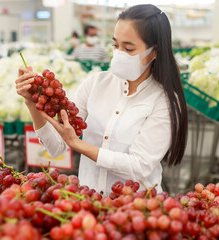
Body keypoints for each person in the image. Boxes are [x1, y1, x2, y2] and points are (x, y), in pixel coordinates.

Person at [15, 4, 188, 195]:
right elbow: (56, 147)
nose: (119, 53)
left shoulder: (163, 100)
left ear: (154, 52)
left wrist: (79, 144)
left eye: (128, 48)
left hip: (136, 210)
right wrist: (32, 104)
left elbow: (139, 166)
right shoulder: (96, 83)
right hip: (90, 204)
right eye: (115, 45)